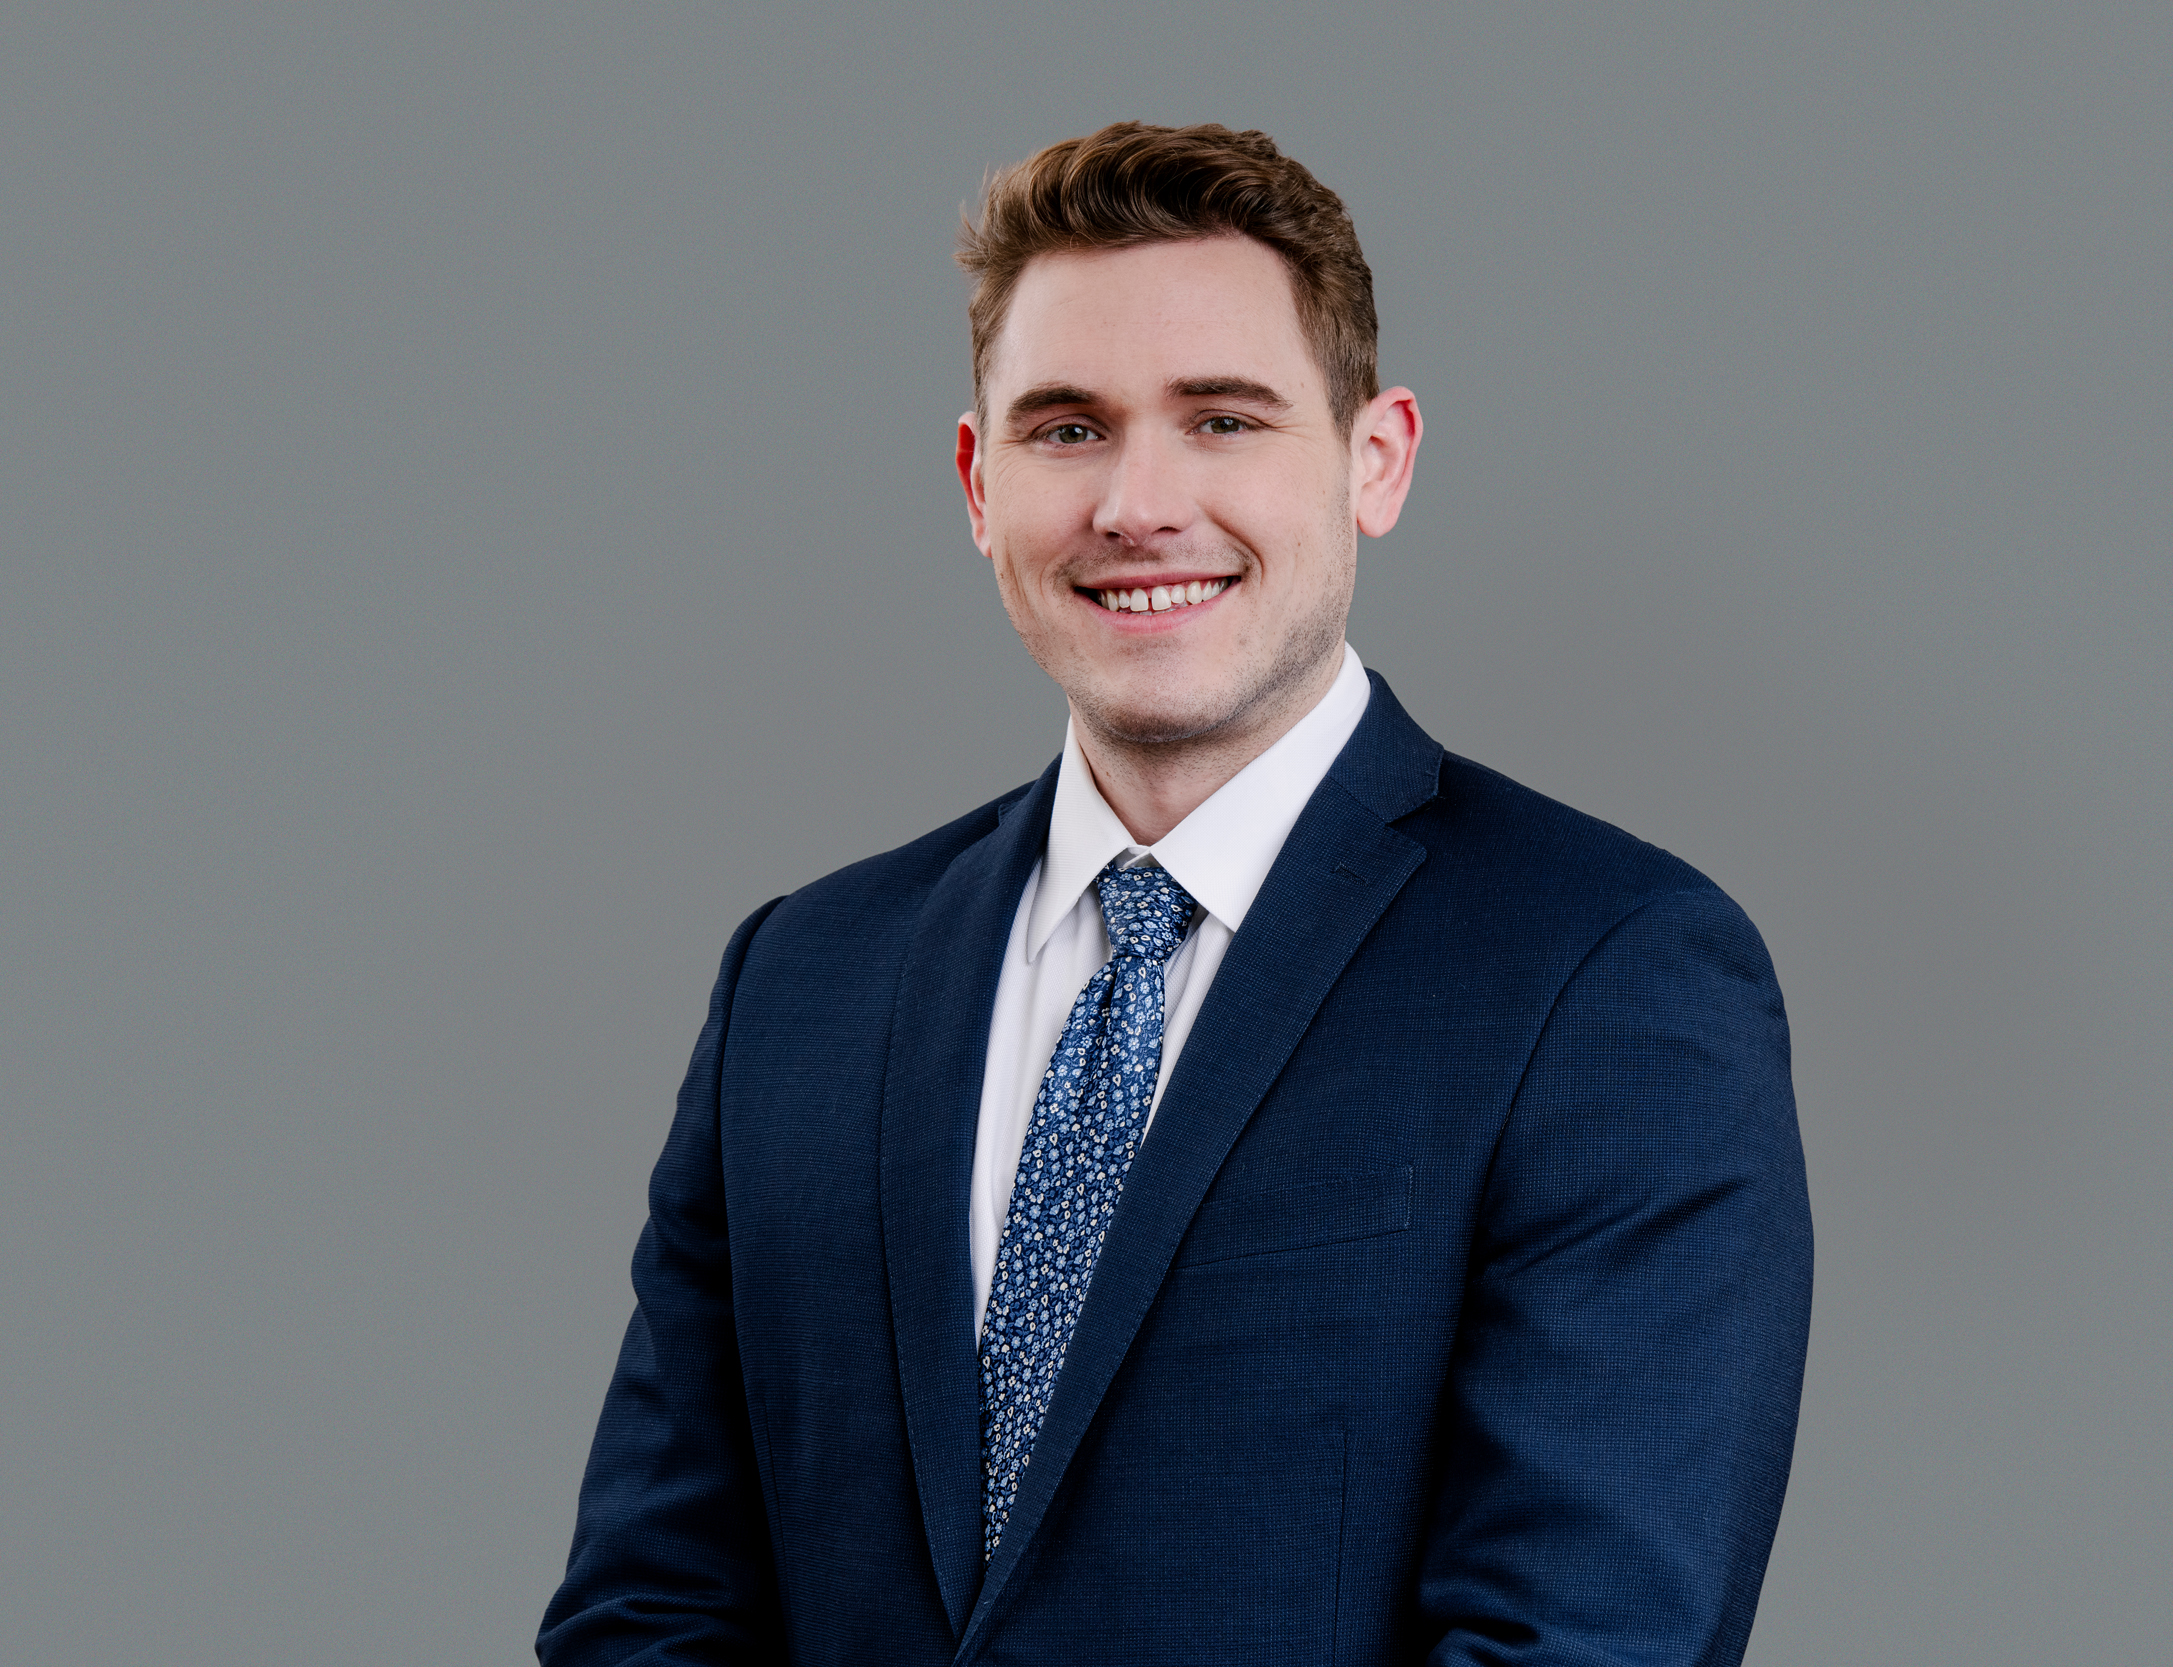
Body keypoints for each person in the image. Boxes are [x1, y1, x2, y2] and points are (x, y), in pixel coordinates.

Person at [539, 121, 1812, 1667]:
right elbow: (650, 1613)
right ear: (975, 481)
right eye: (1067, 428)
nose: (1138, 504)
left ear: (1375, 458)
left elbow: (1588, 1643)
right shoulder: (804, 985)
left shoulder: (1606, 973)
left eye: (1222, 419)